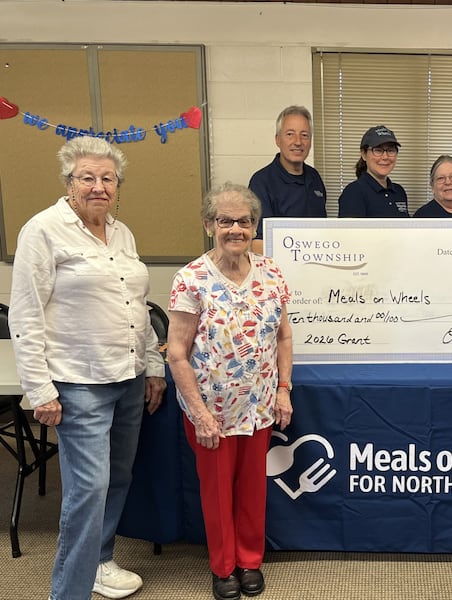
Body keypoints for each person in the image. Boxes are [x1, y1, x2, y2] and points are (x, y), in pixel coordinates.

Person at [8, 136, 166, 600]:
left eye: (108, 179)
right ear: (68, 182)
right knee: (88, 490)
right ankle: (68, 592)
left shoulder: (121, 232)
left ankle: (99, 562)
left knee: (117, 477)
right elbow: (26, 314)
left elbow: (137, 305)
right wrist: (40, 389)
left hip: (128, 376)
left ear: (118, 186)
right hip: (79, 382)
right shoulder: (43, 230)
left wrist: (152, 364)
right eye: (87, 178)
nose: (99, 187)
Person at [167, 182, 294, 600]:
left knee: (253, 488)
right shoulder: (191, 279)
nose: (235, 229)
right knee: (218, 492)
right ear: (209, 225)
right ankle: (223, 568)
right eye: (225, 221)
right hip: (212, 410)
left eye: (243, 221)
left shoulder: (272, 273)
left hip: (259, 406)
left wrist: (283, 390)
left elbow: (283, 337)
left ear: (254, 226)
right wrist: (200, 414)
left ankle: (249, 561)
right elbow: (177, 354)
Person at [248, 105, 327, 250]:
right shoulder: (261, 182)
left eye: (304, 135)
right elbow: (258, 243)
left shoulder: (315, 178)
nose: (298, 142)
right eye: (290, 134)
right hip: (279, 263)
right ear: (277, 140)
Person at [337, 125, 410, 217]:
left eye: (391, 150)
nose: (385, 157)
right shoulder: (354, 192)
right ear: (364, 154)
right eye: (378, 150)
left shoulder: (399, 192)